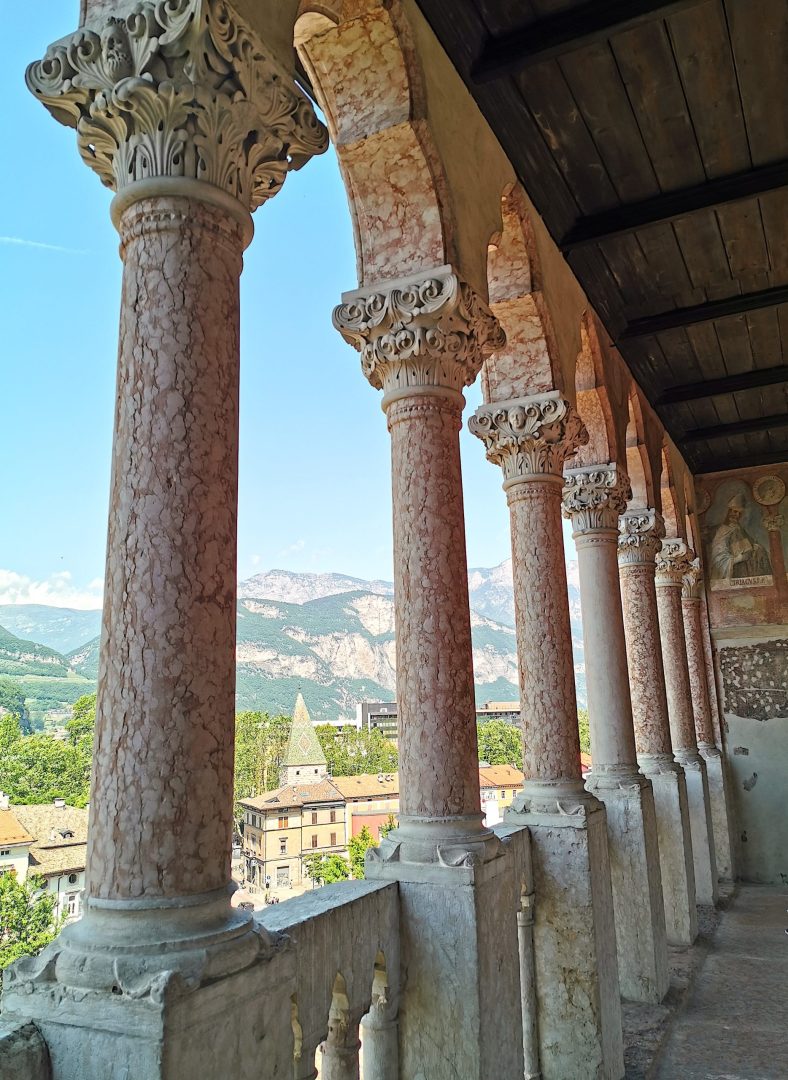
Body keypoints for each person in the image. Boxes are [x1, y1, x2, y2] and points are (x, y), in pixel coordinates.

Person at [710, 493, 771, 582]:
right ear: (729, 512)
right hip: (733, 567)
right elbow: (718, 554)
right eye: (735, 511)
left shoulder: (739, 528)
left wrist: (755, 548)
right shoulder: (723, 530)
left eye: (739, 513)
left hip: (745, 567)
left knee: (760, 549)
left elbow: (749, 544)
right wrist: (738, 558)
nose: (737, 515)